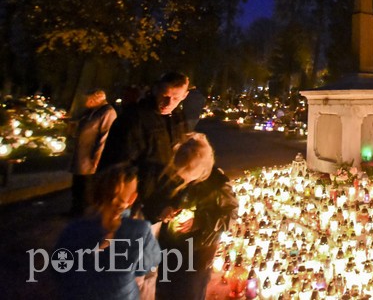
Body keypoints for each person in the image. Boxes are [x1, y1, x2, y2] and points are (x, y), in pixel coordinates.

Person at [143, 133, 238, 300]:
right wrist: (162, 211)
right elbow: (154, 200)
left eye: (186, 172)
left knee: (188, 293)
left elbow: (230, 215)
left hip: (197, 256)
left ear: (202, 170)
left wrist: (200, 221)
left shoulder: (218, 185)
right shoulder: (174, 176)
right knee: (164, 290)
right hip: (168, 248)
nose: (181, 176)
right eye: (179, 171)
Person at [55, 165, 161, 300]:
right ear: (132, 198)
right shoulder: (140, 230)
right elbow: (146, 266)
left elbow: (58, 268)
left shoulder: (73, 229)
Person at [98, 72, 190, 206]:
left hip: (165, 197)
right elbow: (118, 161)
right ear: (155, 90)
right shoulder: (134, 118)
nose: (168, 103)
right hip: (137, 199)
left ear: (184, 96)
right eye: (165, 96)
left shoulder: (179, 119)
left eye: (176, 98)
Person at [69, 88, 117, 216]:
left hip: (90, 158)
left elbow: (105, 137)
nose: (86, 102)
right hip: (82, 154)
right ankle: (76, 209)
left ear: (97, 98)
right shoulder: (91, 111)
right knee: (78, 183)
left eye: (89, 99)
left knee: (86, 186)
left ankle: (83, 212)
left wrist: (97, 157)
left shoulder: (107, 112)